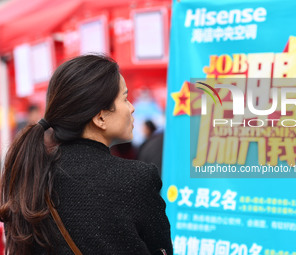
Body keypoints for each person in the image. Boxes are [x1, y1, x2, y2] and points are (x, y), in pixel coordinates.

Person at [0, 55, 173, 255]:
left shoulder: (34, 175)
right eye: (125, 98)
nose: (132, 108)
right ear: (100, 117)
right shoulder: (136, 178)